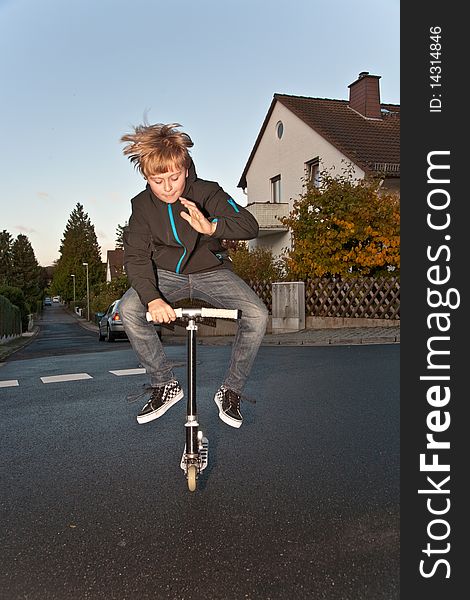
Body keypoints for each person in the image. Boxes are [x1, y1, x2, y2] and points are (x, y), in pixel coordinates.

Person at [119, 122, 268, 429]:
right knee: (129, 309)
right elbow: (135, 258)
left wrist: (213, 228)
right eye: (158, 181)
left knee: (257, 314)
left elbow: (249, 226)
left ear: (185, 169)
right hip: (166, 275)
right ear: (147, 177)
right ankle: (164, 383)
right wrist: (152, 299)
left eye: (174, 177)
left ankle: (232, 389)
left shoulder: (207, 192)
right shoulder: (142, 207)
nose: (168, 187)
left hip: (211, 271)